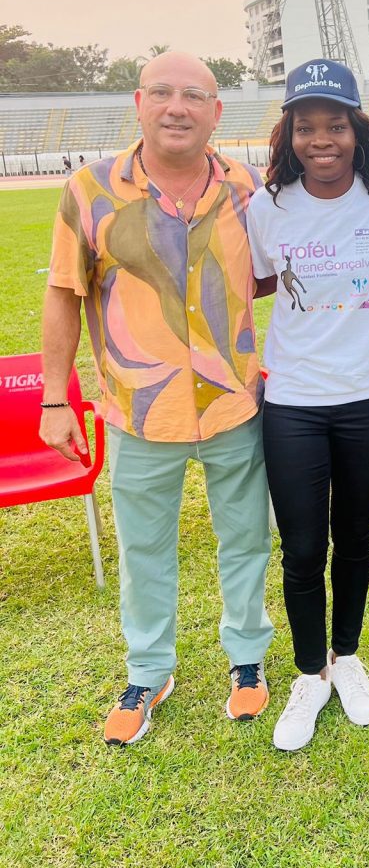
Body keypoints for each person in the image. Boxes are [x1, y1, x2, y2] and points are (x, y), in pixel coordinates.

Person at [40, 52, 274, 746]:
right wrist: (57, 398)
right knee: (145, 549)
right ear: (138, 102)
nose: (178, 107)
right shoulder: (90, 189)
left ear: (216, 113)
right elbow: (62, 293)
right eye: (164, 93)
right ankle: (149, 669)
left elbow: (270, 281)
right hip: (139, 410)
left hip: (235, 403)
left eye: (195, 96)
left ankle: (248, 660)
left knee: (246, 541)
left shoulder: (246, 187)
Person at [247, 59, 369, 752]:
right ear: (289, 134)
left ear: (356, 130)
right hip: (292, 403)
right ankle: (310, 674)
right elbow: (252, 283)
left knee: (356, 538)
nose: (322, 139)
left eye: (335, 125)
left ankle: (347, 657)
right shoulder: (266, 207)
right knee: (303, 547)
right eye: (307, 126)